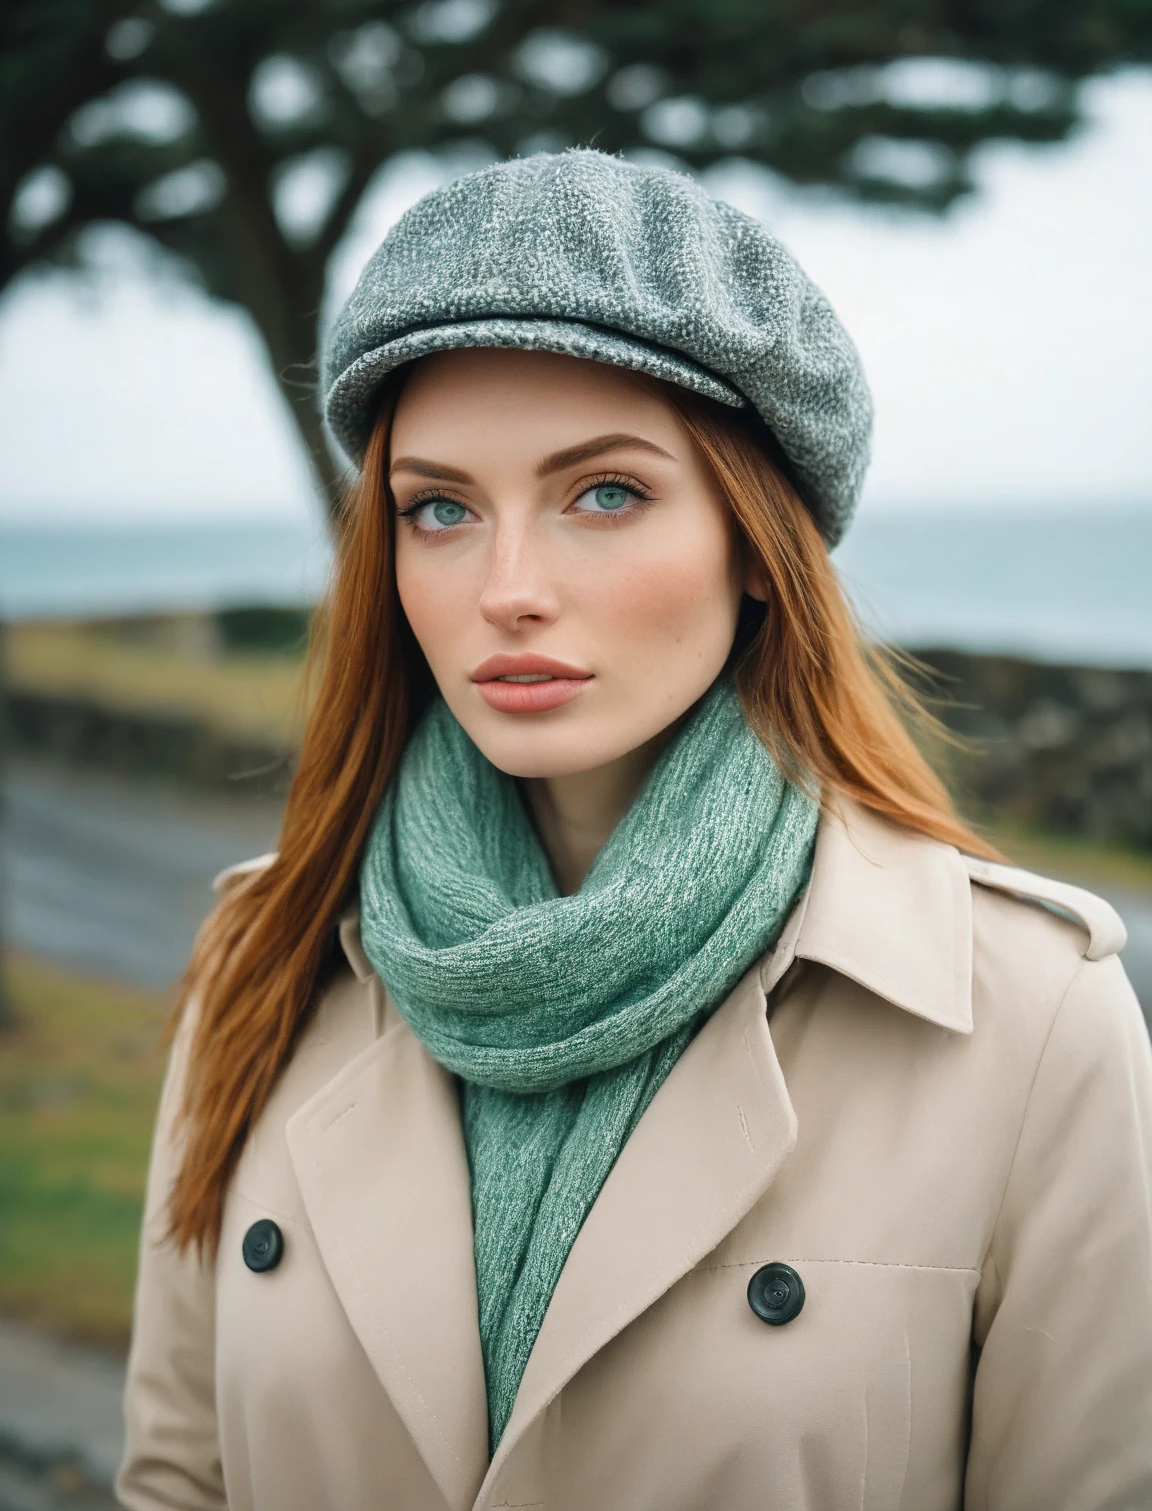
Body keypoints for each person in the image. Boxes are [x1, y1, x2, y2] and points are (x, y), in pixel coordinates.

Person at [117, 151, 1152, 1511]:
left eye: (604, 493)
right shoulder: (270, 953)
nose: (508, 589)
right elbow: (177, 1477)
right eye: (440, 509)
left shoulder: (1023, 1020)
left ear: (756, 544)